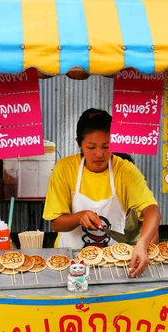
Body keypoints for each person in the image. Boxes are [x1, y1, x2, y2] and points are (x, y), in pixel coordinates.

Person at [43, 108, 160, 277]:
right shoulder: (65, 169)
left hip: (114, 262)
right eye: (91, 147)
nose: (99, 154)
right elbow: (56, 223)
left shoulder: (124, 170)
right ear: (79, 143)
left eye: (107, 146)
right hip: (69, 261)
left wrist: (142, 243)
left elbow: (152, 211)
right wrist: (79, 217)